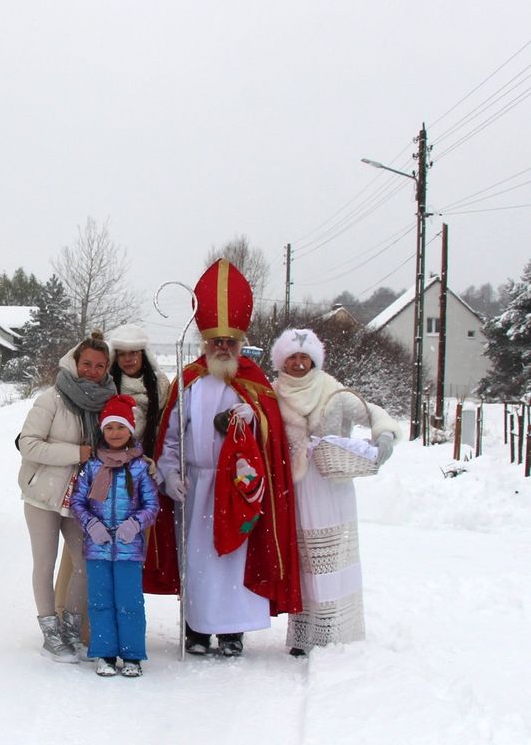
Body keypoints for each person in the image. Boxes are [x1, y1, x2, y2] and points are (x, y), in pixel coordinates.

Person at [144, 258, 301, 657]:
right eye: (216, 342)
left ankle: (232, 632)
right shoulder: (190, 380)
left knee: (233, 558)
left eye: (230, 342)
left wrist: (258, 421)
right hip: (197, 486)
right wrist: (169, 471)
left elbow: (272, 438)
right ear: (205, 343)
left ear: (240, 343)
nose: (223, 348)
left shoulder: (255, 384)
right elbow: (173, 434)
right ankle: (197, 629)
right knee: (197, 560)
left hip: (238, 488)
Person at [270, 328, 397, 656]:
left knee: (330, 560)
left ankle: (332, 632)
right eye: (292, 357)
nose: (298, 364)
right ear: (282, 360)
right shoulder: (274, 393)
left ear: (314, 359)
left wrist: (383, 434)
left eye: (304, 357)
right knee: (304, 560)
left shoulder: (332, 389)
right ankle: (303, 634)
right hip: (295, 488)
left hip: (331, 484)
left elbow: (370, 412)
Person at [17, 331, 113, 663]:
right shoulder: (52, 399)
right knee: (45, 564)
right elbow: (28, 443)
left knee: (85, 564)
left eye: (99, 366)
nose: (92, 370)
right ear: (74, 362)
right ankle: (50, 633)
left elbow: (108, 454)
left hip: (80, 502)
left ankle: (71, 627)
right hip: (43, 496)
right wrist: (76, 452)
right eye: (86, 363)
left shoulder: (106, 405)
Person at [70, 394, 159, 677]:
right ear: (102, 431)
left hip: (128, 549)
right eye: (110, 428)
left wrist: (134, 523)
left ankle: (132, 655)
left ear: (130, 431)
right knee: (100, 601)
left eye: (121, 427)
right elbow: (78, 502)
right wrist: (91, 525)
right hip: (97, 548)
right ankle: (105, 652)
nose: (115, 433)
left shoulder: (140, 467)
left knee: (129, 601)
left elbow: (152, 505)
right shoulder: (92, 466)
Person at [106, 323, 171, 453]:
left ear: (143, 354)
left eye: (133, 353)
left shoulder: (161, 386)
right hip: (114, 461)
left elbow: (169, 428)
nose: (128, 359)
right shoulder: (107, 387)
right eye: (122, 354)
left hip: (154, 458)